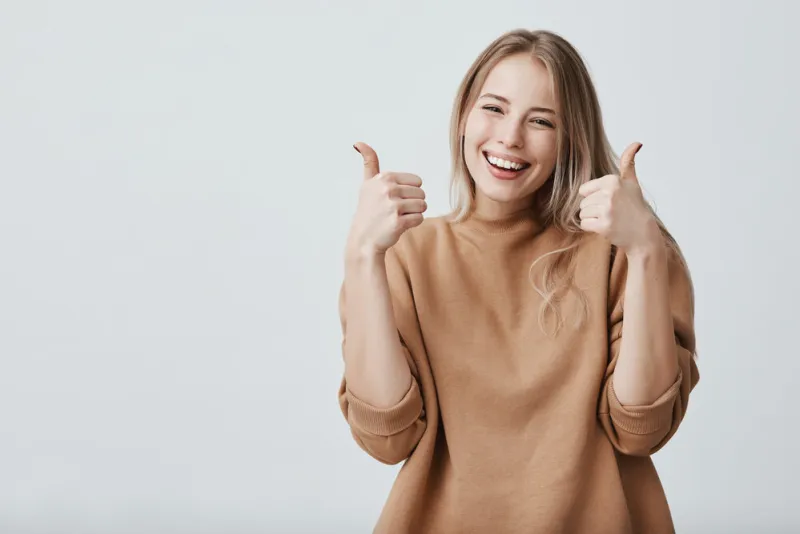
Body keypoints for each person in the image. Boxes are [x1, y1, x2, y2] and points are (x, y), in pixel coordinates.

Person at [337, 28, 699, 534]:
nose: (510, 137)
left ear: (570, 136)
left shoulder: (625, 249)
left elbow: (641, 428)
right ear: (464, 115)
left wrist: (644, 253)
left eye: (541, 121)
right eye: (493, 108)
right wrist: (362, 256)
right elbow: (386, 438)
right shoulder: (407, 254)